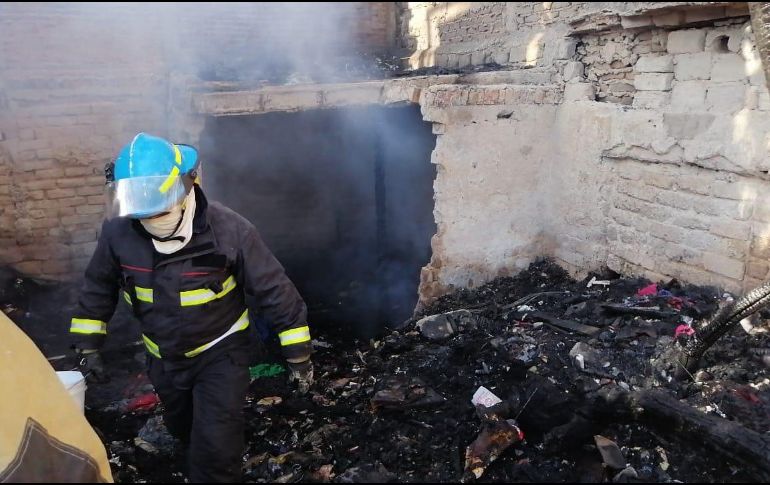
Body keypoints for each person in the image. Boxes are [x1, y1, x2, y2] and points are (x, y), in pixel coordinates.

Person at [69, 133, 313, 482]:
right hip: (164, 360)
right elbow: (98, 286)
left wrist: (298, 354)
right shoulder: (118, 234)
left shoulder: (230, 231)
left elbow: (275, 290)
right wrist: (88, 344)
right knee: (184, 428)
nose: (152, 217)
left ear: (186, 185)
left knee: (215, 449)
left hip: (221, 354)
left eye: (161, 207)